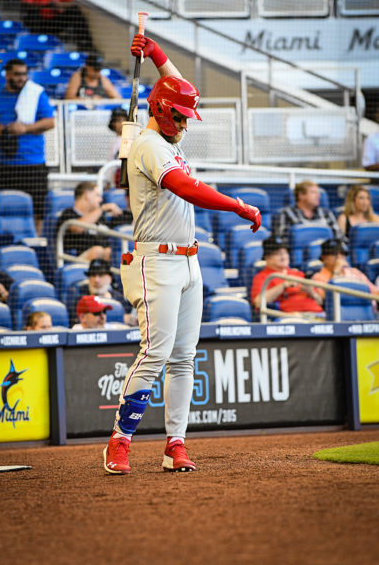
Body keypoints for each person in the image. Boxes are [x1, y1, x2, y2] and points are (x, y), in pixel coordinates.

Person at [103, 32, 261, 475]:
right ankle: (119, 441)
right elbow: (185, 188)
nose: (186, 122)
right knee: (154, 353)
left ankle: (176, 444)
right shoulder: (151, 146)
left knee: (184, 357)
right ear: (160, 111)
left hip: (188, 260)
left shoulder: (167, 133)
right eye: (180, 116)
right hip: (156, 260)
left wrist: (155, 54)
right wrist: (237, 205)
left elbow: (179, 90)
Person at [0, 58, 55, 232]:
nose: (22, 78)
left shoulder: (36, 93)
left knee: (39, 210)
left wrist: (25, 128)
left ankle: (36, 244)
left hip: (31, 163)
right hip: (0, 163)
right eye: (17, 74)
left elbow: (50, 122)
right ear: (7, 75)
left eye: (24, 74)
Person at [251, 237, 324, 317]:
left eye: (285, 253)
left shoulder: (297, 274)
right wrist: (283, 285)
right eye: (278, 254)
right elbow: (258, 302)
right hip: (291, 317)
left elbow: (320, 301)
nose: (283, 257)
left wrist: (310, 291)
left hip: (318, 315)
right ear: (267, 257)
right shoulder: (262, 277)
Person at [56, 181, 123, 262]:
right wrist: (102, 208)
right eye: (97, 195)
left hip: (103, 259)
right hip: (76, 260)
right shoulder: (68, 214)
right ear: (86, 195)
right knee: (97, 251)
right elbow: (77, 228)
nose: (101, 199)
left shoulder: (100, 217)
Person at [71, 258, 137, 326]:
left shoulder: (119, 298)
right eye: (93, 275)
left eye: (101, 275)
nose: (96, 280)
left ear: (110, 279)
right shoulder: (80, 300)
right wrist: (120, 319)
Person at [275, 181, 345, 244]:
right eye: (313, 192)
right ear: (301, 195)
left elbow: (339, 236)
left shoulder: (326, 213)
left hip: (326, 254)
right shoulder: (285, 214)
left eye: (318, 193)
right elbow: (281, 241)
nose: (318, 196)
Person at [311, 239, 379, 304]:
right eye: (334, 253)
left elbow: (374, 291)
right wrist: (336, 271)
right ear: (323, 257)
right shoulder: (318, 277)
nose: (339, 256)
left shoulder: (354, 272)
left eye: (342, 253)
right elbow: (327, 299)